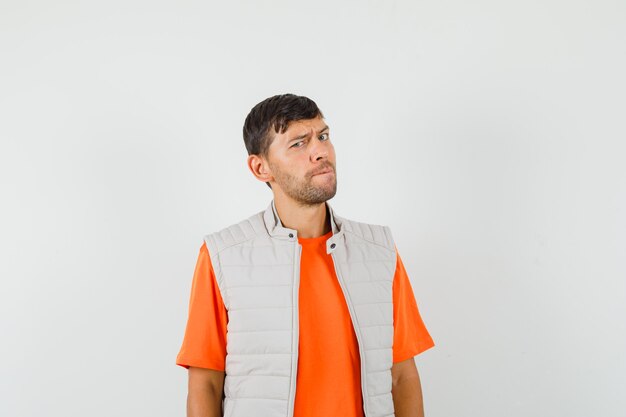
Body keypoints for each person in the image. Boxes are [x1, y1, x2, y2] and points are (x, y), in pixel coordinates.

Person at [176, 93, 435, 417]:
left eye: (323, 136)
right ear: (261, 167)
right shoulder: (223, 256)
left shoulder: (379, 251)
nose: (320, 152)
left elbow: (402, 375)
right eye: (299, 143)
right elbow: (205, 384)